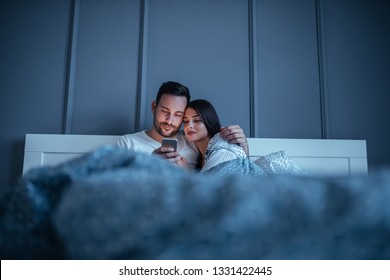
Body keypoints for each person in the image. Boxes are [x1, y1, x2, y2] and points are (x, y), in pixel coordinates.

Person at [117, 81, 248, 169]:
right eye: (165, 111)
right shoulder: (128, 143)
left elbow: (225, 166)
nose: (169, 120)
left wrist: (243, 147)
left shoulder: (192, 140)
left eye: (178, 115)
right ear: (153, 108)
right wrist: (148, 165)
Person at [183, 99, 248, 171]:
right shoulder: (199, 156)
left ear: (209, 121)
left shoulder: (222, 145)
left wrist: (185, 173)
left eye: (197, 120)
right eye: (185, 121)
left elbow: (210, 181)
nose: (189, 126)